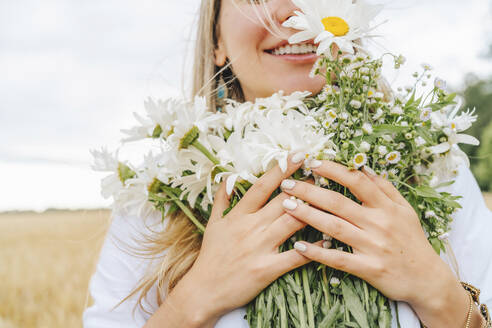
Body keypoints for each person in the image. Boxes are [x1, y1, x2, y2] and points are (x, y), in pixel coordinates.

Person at [83, 0, 492, 327]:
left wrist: (441, 297)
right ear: (217, 41)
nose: (294, 12)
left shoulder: (437, 174)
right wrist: (195, 300)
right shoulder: (158, 197)